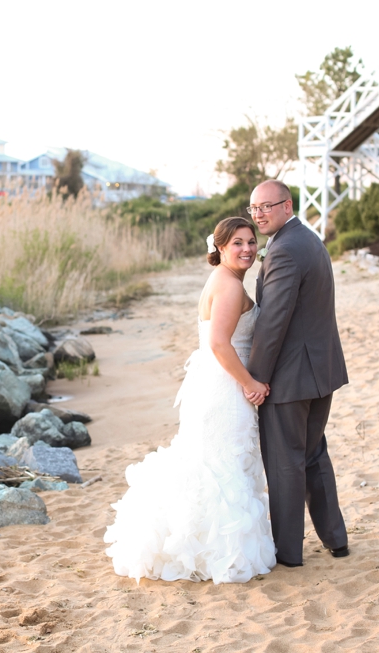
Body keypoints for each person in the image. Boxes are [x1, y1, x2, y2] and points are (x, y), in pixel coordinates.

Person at [104, 216, 276, 583]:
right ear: (220, 248)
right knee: (222, 463)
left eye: (251, 242)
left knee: (210, 460)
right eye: (238, 244)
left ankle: (196, 543)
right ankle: (216, 553)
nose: (247, 249)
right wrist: (251, 384)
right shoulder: (229, 287)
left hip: (211, 382)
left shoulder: (222, 279)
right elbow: (218, 344)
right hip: (226, 386)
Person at [245, 179, 349, 567]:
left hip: (291, 379)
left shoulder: (285, 250)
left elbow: (273, 323)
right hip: (321, 371)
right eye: (254, 208)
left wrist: (255, 379)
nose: (258, 215)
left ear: (287, 206)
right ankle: (335, 539)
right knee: (312, 454)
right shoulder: (308, 239)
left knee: (285, 462)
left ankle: (288, 552)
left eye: (266, 206)